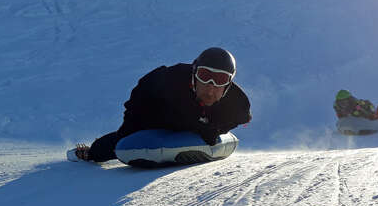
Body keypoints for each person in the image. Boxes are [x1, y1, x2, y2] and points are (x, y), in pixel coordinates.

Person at [74, 47, 251, 162]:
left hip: (193, 124)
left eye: (220, 80)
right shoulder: (170, 79)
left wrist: (214, 130)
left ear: (228, 85)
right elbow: (139, 94)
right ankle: (90, 152)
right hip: (160, 116)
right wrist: (128, 128)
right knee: (119, 142)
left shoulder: (238, 104)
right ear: (194, 73)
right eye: (205, 76)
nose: (211, 88)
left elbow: (238, 119)